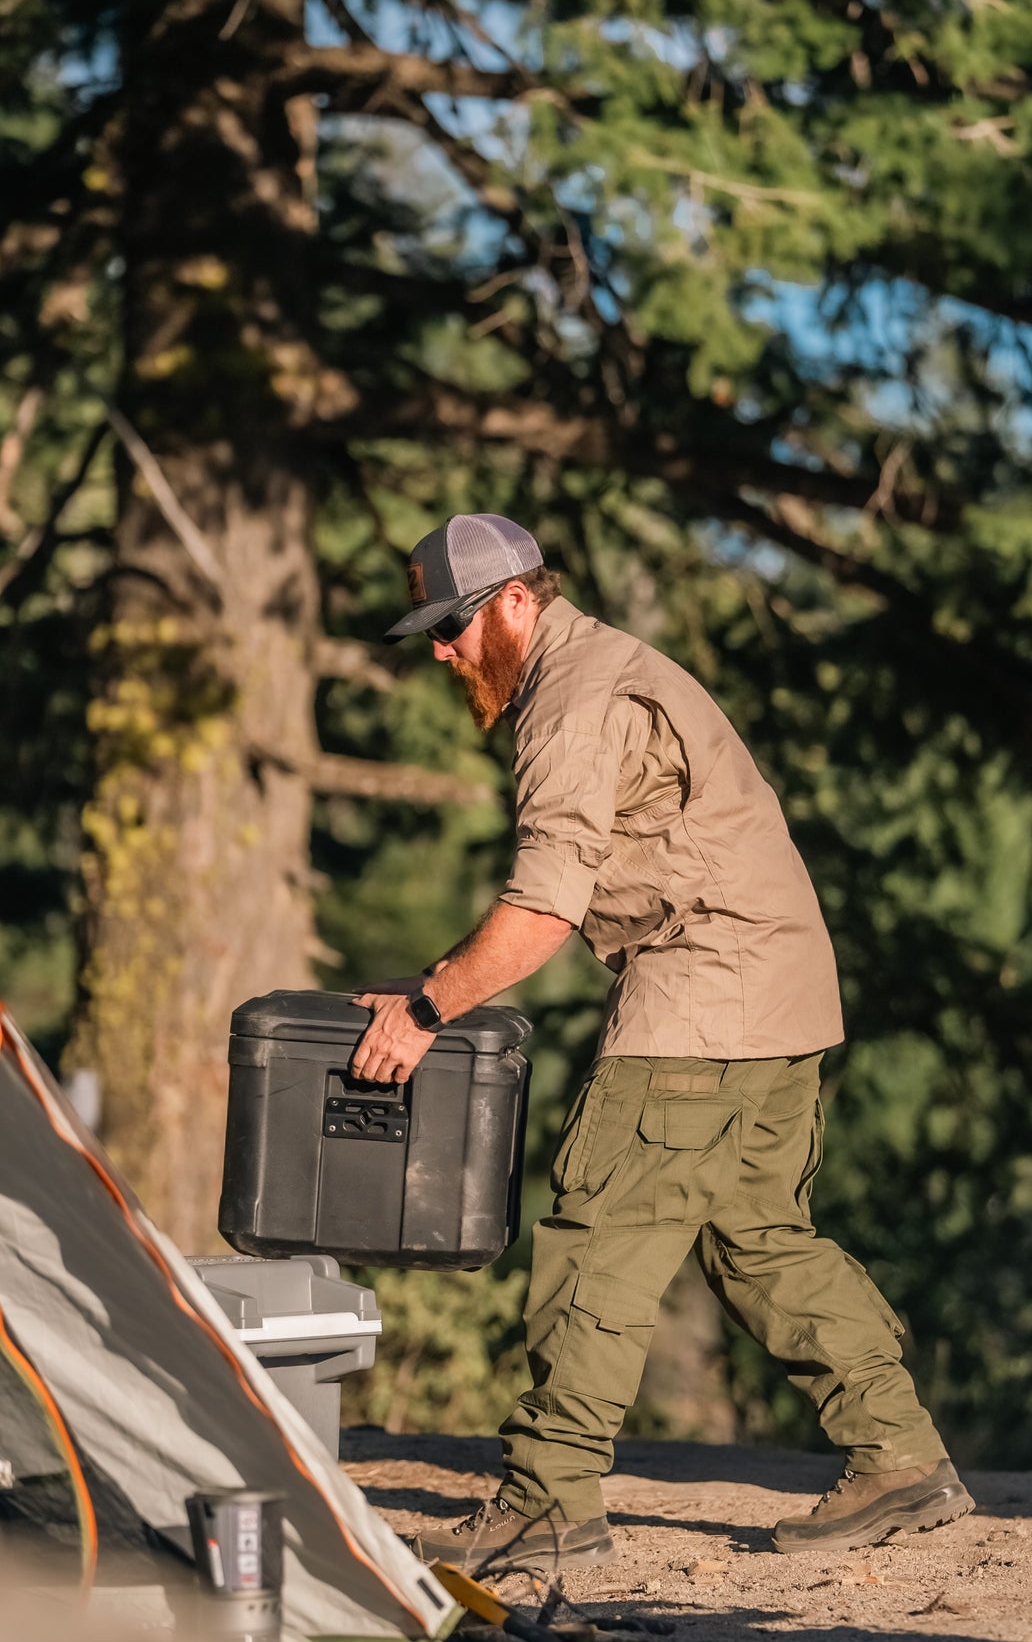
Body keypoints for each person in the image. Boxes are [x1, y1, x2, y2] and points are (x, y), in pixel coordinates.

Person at [354, 512, 973, 1569]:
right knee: (760, 1240)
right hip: (779, 992)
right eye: (429, 635)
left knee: (599, 1236)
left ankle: (548, 1501)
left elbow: (542, 914)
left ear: (515, 600)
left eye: (453, 626)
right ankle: (899, 1458)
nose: (443, 652)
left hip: (703, 992)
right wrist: (428, 984)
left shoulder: (572, 701)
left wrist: (422, 1012)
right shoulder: (604, 669)